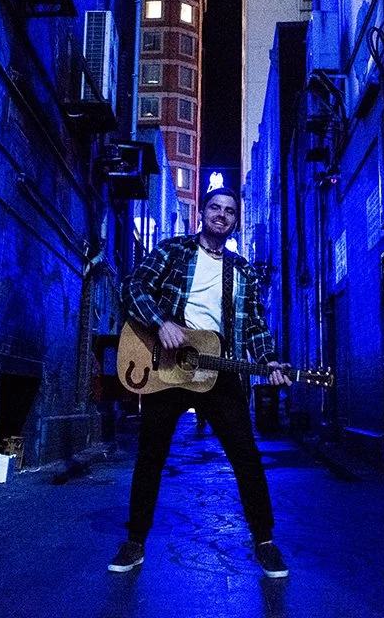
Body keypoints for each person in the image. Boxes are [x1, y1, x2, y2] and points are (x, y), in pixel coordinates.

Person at [107, 187, 292, 579]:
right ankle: (135, 541)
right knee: (151, 456)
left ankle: (265, 543)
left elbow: (256, 325)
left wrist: (269, 361)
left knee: (246, 456)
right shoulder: (173, 251)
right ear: (202, 213)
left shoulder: (243, 271)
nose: (221, 215)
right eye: (215, 208)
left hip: (218, 369)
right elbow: (132, 288)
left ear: (235, 221)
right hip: (167, 367)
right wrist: (161, 322)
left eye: (229, 211)